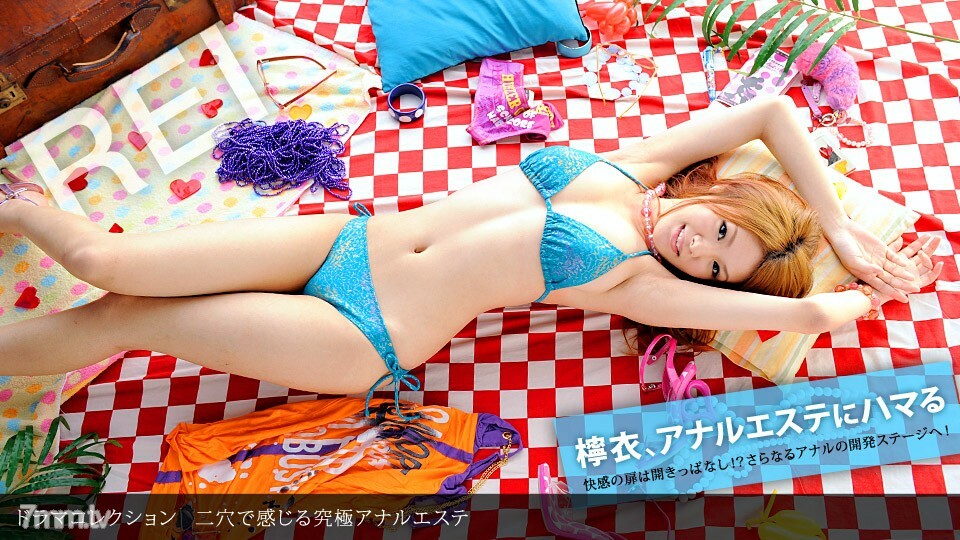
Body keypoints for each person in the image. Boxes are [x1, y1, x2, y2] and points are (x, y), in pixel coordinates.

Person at [0, 96, 942, 418]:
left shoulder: (635, 283)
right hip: (343, 239)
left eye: (716, 271)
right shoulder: (637, 165)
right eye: (722, 233)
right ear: (720, 196)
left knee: (120, 319)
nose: (700, 250)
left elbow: (811, 313)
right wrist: (835, 221)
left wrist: (868, 279)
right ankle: (18, 208)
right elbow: (772, 113)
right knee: (107, 260)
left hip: (361, 331)